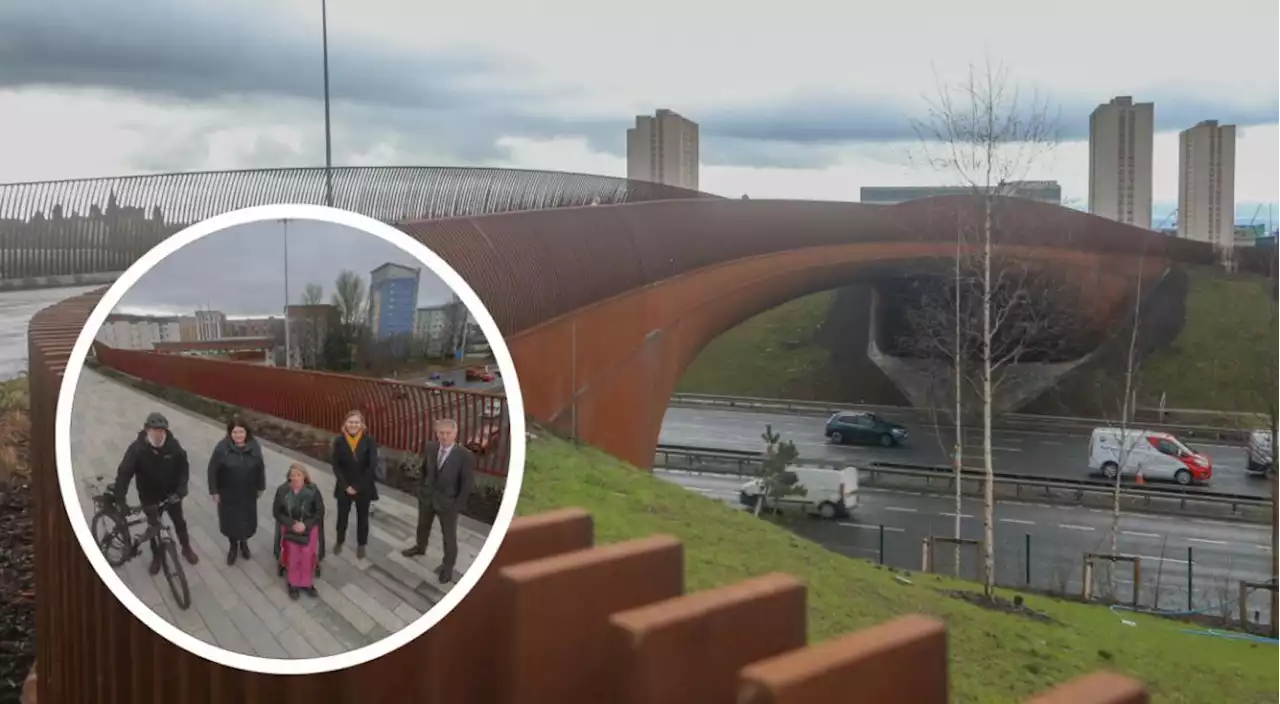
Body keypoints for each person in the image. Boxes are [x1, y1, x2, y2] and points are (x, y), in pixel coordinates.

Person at [111, 411, 199, 573]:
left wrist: (181, 489)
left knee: (179, 521)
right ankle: (157, 556)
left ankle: (186, 548)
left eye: (161, 430)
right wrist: (121, 501)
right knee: (153, 526)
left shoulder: (173, 446)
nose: (158, 434)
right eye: (154, 430)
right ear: (147, 430)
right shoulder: (137, 449)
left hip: (171, 493)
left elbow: (183, 468)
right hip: (149, 495)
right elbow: (124, 475)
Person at [401, 418, 475, 584]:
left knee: (449, 537)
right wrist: (421, 489)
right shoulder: (430, 447)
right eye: (441, 433)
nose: (444, 436)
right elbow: (425, 469)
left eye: (448, 433)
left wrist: (456, 507)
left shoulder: (465, 456)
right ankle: (420, 548)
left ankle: (447, 566)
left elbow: (466, 484)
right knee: (422, 526)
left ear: (455, 434)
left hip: (448, 504)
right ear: (436, 433)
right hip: (427, 498)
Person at [208, 417, 266, 566]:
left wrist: (261, 486)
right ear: (230, 433)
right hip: (228, 493)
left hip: (248, 493)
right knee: (231, 522)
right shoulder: (222, 448)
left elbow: (260, 467)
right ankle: (233, 547)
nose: (238, 435)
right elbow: (212, 470)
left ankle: (244, 545)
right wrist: (214, 491)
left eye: (241, 432)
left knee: (246, 520)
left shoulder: (254, 446)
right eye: (235, 432)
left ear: (246, 432)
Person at [330, 410, 379, 560]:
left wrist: (357, 486)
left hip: (363, 487)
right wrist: (346, 485)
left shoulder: (369, 441)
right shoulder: (339, 441)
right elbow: (335, 465)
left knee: (362, 518)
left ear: (362, 425)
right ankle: (339, 541)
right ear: (345, 424)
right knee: (342, 517)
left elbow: (372, 466)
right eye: (350, 422)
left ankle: (361, 544)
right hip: (344, 486)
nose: (353, 425)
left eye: (356, 422)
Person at [272, 463, 325, 600]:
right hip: (290, 527)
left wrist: (305, 525)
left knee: (307, 554)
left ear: (304, 476)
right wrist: (292, 523)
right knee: (293, 555)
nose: (295, 478)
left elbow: (319, 512)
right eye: (292, 475)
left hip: (308, 527)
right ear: (289, 478)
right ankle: (293, 583)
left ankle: (306, 583)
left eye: (298, 475)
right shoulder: (282, 491)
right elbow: (277, 513)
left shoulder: (313, 490)